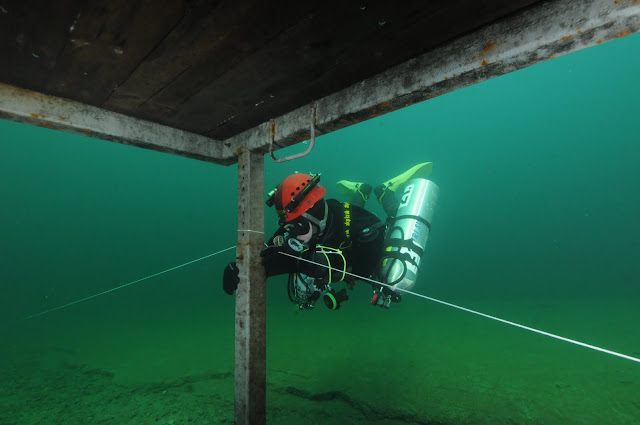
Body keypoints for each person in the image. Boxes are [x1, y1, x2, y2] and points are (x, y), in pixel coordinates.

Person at [223, 162, 435, 310]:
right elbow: (269, 255)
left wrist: (315, 266)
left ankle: (385, 192)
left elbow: (358, 270)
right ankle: (362, 191)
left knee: (393, 233)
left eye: (297, 226)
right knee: (341, 220)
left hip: (365, 243)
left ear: (314, 215)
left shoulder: (363, 231)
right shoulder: (301, 224)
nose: (291, 235)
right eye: (288, 226)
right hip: (337, 225)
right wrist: (242, 269)